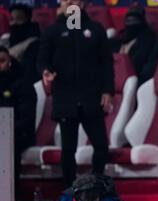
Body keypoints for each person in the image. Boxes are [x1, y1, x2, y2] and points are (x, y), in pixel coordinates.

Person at [37, 0, 114, 188]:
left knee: (101, 145)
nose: (72, 3)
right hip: (65, 97)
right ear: (61, 4)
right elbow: (42, 59)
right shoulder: (52, 31)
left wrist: (107, 91)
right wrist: (46, 71)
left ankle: (97, 185)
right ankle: (70, 189)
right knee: (68, 149)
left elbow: (107, 64)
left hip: (92, 97)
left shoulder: (95, 29)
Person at [0, 46, 36, 201]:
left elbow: (26, 118)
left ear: (10, 62)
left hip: (19, 133)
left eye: (1, 61)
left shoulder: (23, 83)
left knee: (7, 146)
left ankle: (9, 197)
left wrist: (7, 130)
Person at [0, 3, 41, 83]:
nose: (14, 23)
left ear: (27, 20)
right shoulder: (4, 39)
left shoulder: (34, 43)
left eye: (19, 19)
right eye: (12, 19)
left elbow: (28, 71)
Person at [109, 6, 156, 72]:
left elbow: (138, 62)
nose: (131, 24)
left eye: (134, 20)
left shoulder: (147, 38)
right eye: (128, 21)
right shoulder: (121, 36)